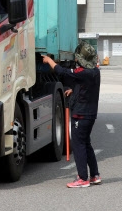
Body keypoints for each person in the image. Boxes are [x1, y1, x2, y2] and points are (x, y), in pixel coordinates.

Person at [41, 40, 101, 188]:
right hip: (91, 114)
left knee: (79, 145)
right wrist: (74, 90)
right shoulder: (95, 72)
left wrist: (49, 60)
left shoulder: (82, 72)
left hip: (81, 114)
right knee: (86, 144)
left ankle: (82, 178)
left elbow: (63, 72)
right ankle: (95, 175)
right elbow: (86, 87)